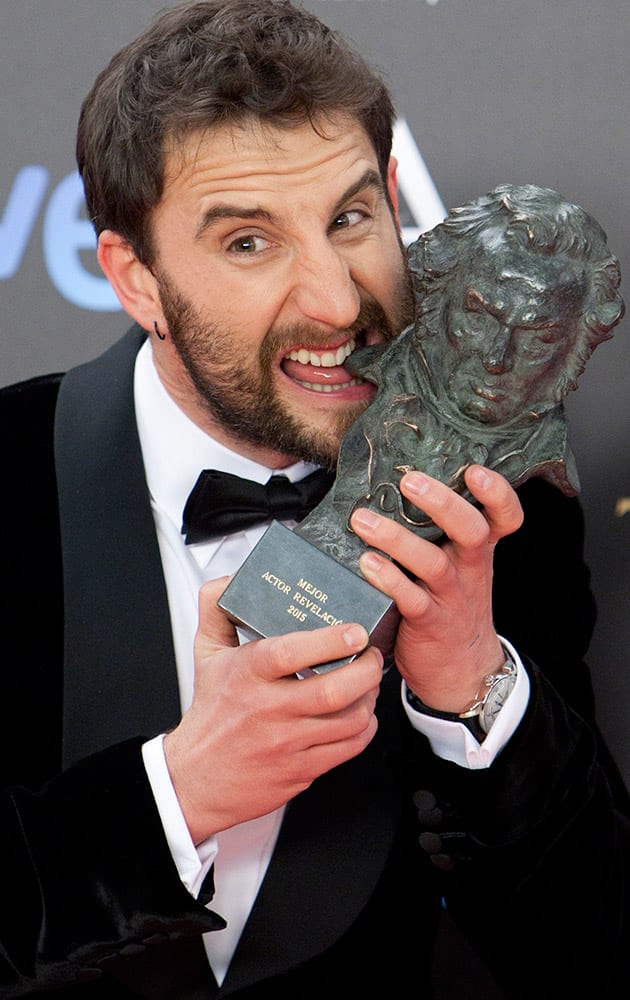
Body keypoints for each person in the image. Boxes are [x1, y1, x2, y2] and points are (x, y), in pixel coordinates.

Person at [1, 2, 628, 997]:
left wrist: (472, 691)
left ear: (391, 193)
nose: (337, 300)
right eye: (249, 243)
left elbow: (594, 953)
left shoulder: (506, 516)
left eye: (347, 218)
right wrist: (177, 793)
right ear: (136, 279)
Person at [298, 182, 625, 563]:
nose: (496, 358)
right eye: (480, 316)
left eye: (538, 339)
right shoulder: (343, 401)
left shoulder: (545, 512)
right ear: (436, 296)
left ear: (572, 352)